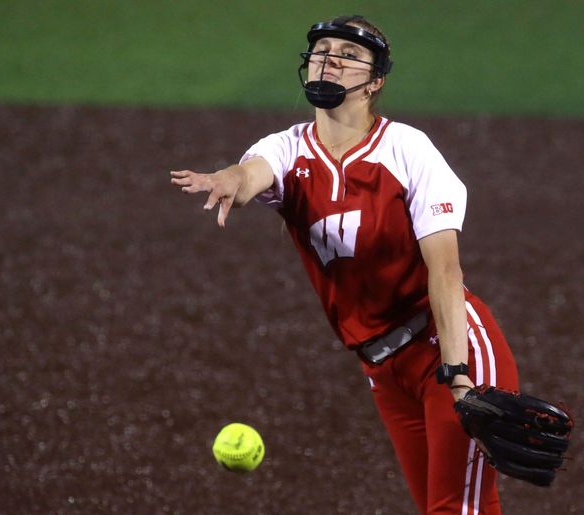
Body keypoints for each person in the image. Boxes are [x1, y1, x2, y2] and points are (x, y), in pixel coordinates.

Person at [170, 15, 518, 514]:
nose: (330, 58)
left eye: (349, 54)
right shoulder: (288, 149)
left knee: (456, 509)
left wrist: (459, 376)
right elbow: (252, 173)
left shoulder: (408, 150)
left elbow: (445, 272)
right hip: (382, 368)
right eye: (322, 50)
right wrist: (228, 178)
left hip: (447, 347)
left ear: (375, 81)